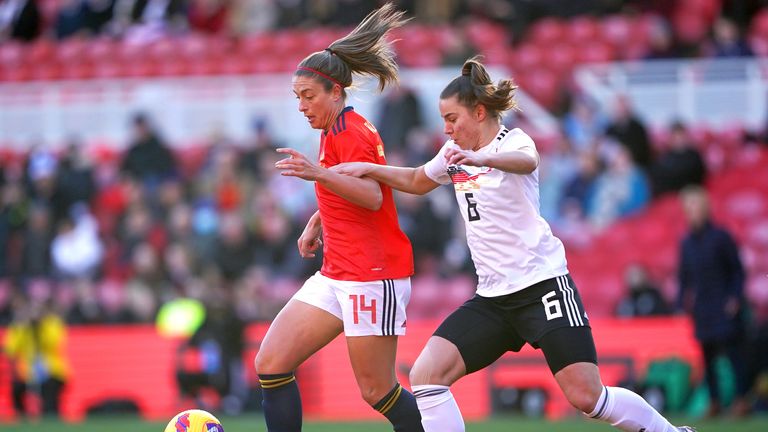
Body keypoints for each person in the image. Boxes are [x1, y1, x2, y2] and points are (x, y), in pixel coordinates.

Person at [333, 57, 694, 432]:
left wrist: (480, 157)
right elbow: (417, 179)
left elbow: (526, 160)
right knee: (427, 374)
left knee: (588, 397)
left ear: (479, 111)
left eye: (452, 119)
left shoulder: (513, 141)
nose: (446, 129)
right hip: (493, 299)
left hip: (542, 287)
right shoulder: (452, 153)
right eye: (443, 120)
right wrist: (370, 169)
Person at [254, 4, 423, 432]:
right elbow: (343, 190)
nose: (302, 106)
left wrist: (316, 173)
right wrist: (317, 221)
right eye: (298, 98)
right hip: (337, 273)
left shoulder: (352, 131)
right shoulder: (333, 132)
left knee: (377, 391)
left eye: (308, 96)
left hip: (372, 273)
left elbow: (370, 195)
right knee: (271, 363)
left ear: (335, 92)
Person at [677, 185, 750, 417]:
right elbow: (684, 277)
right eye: (687, 207)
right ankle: (715, 401)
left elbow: (737, 271)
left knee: (733, 356)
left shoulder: (721, 237)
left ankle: (740, 400)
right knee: (707, 358)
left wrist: (734, 298)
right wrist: (682, 304)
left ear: (705, 208)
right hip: (703, 308)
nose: (691, 212)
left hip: (724, 305)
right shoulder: (686, 242)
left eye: (694, 206)